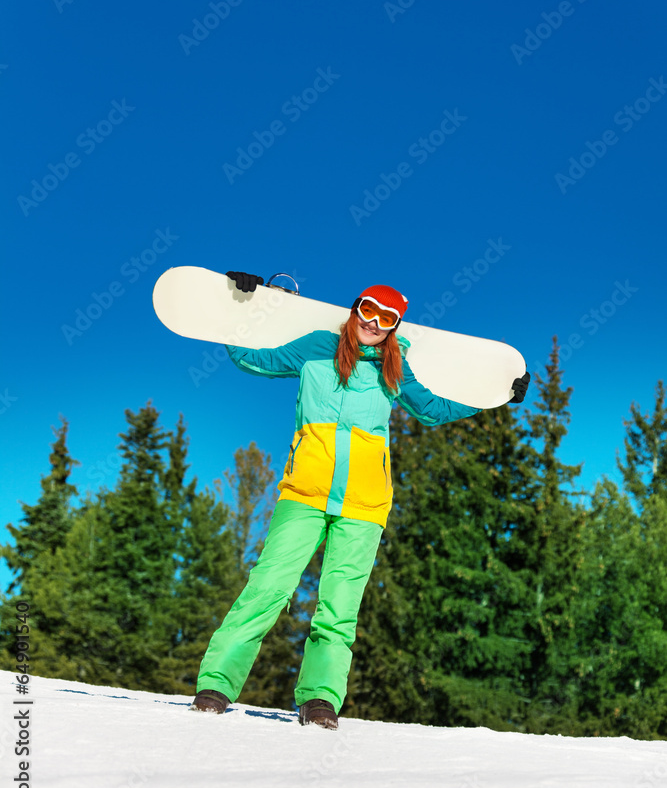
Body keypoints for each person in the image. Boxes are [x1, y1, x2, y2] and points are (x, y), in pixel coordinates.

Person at [192, 272, 530, 729]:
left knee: (339, 605)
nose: (373, 322)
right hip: (305, 493)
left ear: (394, 326)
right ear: (355, 310)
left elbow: (431, 409)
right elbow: (256, 361)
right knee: (268, 587)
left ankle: (319, 701)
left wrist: (495, 399)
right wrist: (239, 312)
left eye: (385, 318)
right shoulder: (317, 347)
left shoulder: (395, 369)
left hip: (365, 504)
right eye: (367, 310)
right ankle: (215, 686)